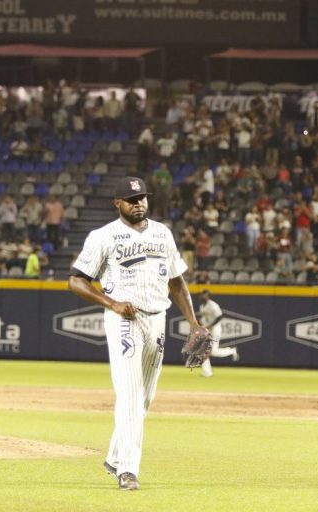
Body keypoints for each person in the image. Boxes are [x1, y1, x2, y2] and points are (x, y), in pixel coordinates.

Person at [68, 176, 201, 491]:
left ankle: (114, 457)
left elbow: (177, 282)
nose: (139, 202)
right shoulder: (103, 236)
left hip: (157, 320)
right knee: (129, 395)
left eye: (142, 197)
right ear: (118, 203)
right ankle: (128, 470)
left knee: (143, 400)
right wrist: (110, 303)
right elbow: (75, 280)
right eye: (132, 198)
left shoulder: (162, 233)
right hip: (125, 320)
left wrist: (194, 323)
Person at [196, 290, 240, 377]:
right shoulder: (202, 306)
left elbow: (219, 316)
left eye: (202, 295)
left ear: (207, 296)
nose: (200, 297)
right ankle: (231, 351)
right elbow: (203, 319)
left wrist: (211, 326)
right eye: (200, 295)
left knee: (205, 351)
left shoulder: (213, 305)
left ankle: (208, 372)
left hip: (215, 330)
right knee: (212, 352)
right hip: (208, 330)